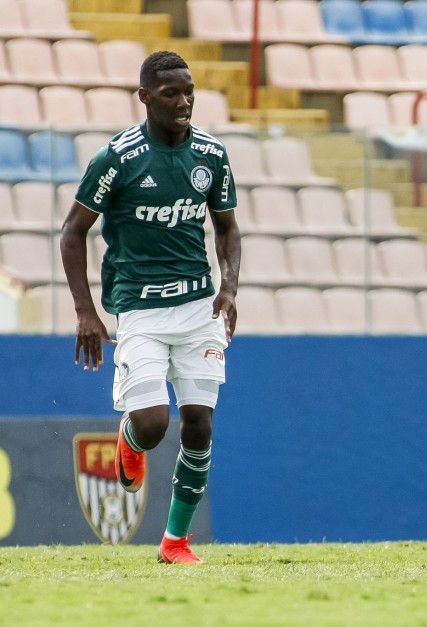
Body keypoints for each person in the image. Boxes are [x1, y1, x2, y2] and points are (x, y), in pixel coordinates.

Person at [60, 51, 241, 564]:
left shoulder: (211, 154)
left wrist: (228, 288)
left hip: (199, 307)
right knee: (154, 422)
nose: (183, 102)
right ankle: (132, 441)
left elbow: (227, 229)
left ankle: (175, 543)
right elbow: (73, 231)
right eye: (170, 94)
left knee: (200, 423)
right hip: (138, 307)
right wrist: (86, 312)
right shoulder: (117, 158)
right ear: (144, 97)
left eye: (189, 91)